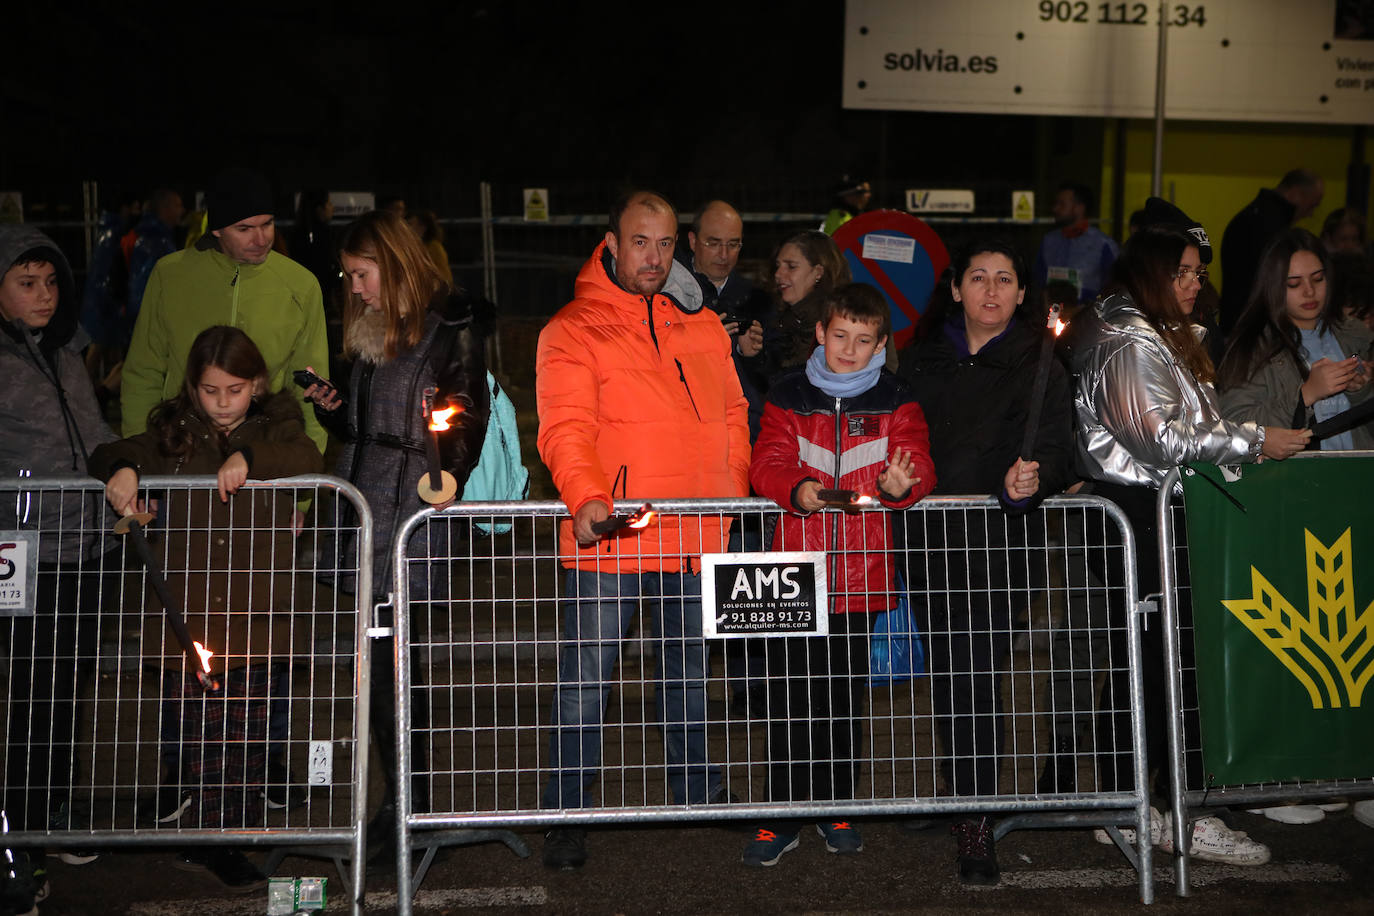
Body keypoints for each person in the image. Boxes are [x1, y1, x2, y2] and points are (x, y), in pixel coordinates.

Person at [1072, 225, 1314, 866]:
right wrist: (1255, 439)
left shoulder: (1145, 332)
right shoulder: (1130, 339)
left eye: (1197, 272)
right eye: (1181, 271)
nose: (1194, 281)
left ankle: (1148, 802)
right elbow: (1163, 439)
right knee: (1155, 665)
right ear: (1151, 274)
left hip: (1157, 511)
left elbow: (1181, 427)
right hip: (1142, 512)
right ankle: (1158, 806)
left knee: (1160, 664)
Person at [535, 190, 750, 870]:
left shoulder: (703, 325)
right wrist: (589, 499)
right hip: (614, 537)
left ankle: (698, 793)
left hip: (693, 536)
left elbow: (736, 413)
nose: (653, 258)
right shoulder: (572, 327)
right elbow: (564, 429)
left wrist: (731, 492)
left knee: (688, 678)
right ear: (611, 242)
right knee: (585, 684)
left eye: (664, 244)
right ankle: (567, 811)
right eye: (640, 242)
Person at [89, 325, 320, 891]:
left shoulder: (278, 426)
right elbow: (111, 451)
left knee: (249, 734)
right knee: (202, 735)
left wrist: (247, 453)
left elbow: (308, 453)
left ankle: (236, 834)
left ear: (257, 385)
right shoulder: (175, 431)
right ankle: (215, 838)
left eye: (235, 391)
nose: (222, 403)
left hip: (258, 616)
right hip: (186, 619)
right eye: (211, 391)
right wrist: (122, 469)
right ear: (193, 388)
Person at [303, 208, 489, 857]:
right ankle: (402, 799)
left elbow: (466, 411)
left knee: (391, 667)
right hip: (363, 505)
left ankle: (409, 803)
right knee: (377, 666)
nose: (354, 288)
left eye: (361, 273)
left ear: (394, 264)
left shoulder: (450, 326)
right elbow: (362, 424)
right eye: (349, 276)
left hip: (410, 510)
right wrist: (335, 410)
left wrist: (453, 473)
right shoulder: (370, 329)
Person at [897, 239, 1075, 884]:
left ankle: (975, 816)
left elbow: (1058, 447)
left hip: (1001, 550)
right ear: (955, 288)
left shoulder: (1042, 364)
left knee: (978, 677)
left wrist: (1036, 479)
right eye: (978, 278)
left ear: (1023, 294)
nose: (991, 291)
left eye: (1005, 279)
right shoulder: (921, 360)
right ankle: (960, 794)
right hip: (932, 546)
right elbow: (901, 441)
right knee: (949, 676)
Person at [743, 282, 936, 867]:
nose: (849, 349)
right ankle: (782, 814)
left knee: (842, 700)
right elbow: (765, 463)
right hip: (793, 575)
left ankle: (836, 806)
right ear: (821, 333)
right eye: (840, 336)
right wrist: (792, 489)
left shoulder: (899, 398)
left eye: (863, 340)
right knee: (789, 698)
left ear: (881, 342)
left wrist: (906, 486)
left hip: (860, 576)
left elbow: (918, 462)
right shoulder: (786, 394)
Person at [0, 226, 118, 886]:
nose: (43, 296)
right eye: (26, 284)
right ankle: (20, 839)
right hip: (22, 550)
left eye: (50, 283)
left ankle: (48, 817)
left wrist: (121, 471)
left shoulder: (65, 353)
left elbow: (93, 436)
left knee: (65, 688)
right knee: (31, 695)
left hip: (85, 544)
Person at [122, 167, 330, 454]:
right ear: (217, 228)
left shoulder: (301, 285)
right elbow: (143, 374)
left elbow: (309, 390)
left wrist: (303, 485)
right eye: (244, 228)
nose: (261, 239)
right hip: (181, 453)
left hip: (264, 458)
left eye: (267, 224)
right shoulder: (169, 276)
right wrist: (140, 465)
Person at [1219, 228, 1374, 457]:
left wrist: (1363, 391)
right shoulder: (1252, 346)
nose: (1309, 291)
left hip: (1358, 477)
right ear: (1273, 287)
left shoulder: (1355, 334)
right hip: (1295, 482)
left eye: (1318, 279)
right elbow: (1234, 428)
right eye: (1294, 284)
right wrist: (1305, 395)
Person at [1219, 169, 1325, 335]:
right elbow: (1265, 285)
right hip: (1254, 328)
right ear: (1296, 194)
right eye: (1294, 283)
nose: (1311, 214)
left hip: (1240, 323)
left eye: (1318, 279)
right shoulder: (1272, 228)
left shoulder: (1254, 215)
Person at [762, 229, 852, 385]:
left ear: (817, 272)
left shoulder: (842, 321)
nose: (778, 274)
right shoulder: (779, 318)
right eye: (778, 266)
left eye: (791, 266)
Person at [1034, 181, 1119, 307]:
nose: (1055, 209)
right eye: (1056, 203)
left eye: (1062, 204)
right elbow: (1038, 281)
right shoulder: (1049, 241)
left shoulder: (1102, 244)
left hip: (1088, 318)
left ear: (1079, 208)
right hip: (1051, 315)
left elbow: (1113, 287)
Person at [126, 188, 185, 328]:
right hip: (152, 321)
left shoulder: (156, 237)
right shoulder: (157, 242)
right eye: (177, 206)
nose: (182, 210)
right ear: (164, 208)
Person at [409, 209, 452, 282]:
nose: (407, 228)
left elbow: (444, 277)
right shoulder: (417, 246)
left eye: (410, 224)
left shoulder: (433, 247)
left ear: (422, 227)